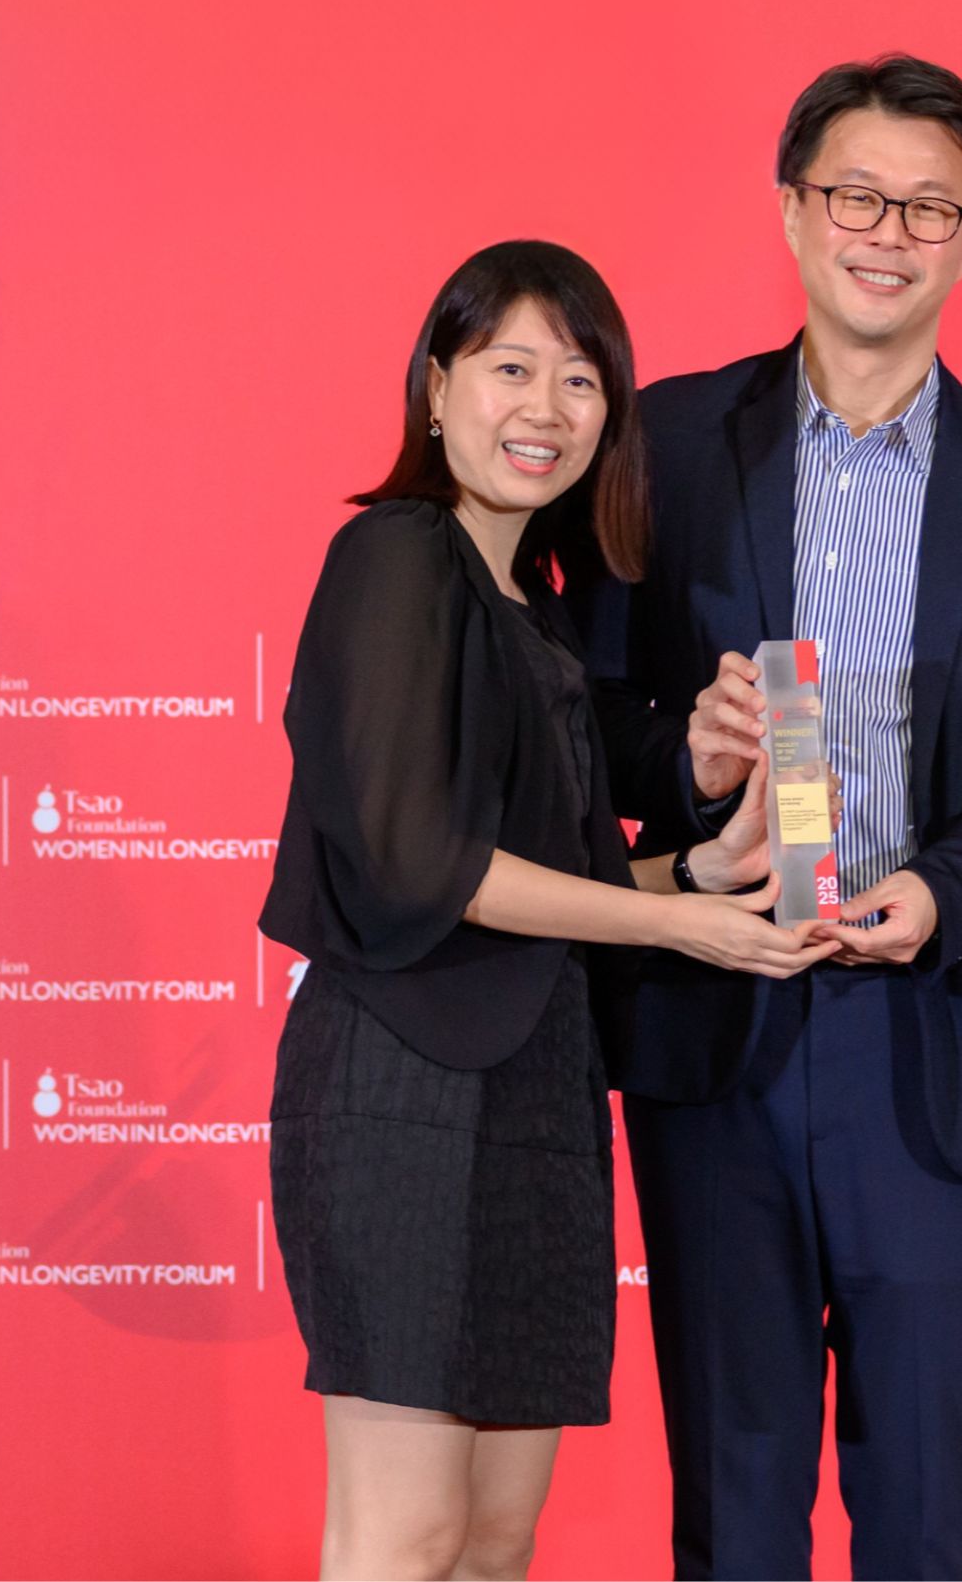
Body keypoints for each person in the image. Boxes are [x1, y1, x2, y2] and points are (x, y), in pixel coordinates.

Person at [574, 55, 962, 1579]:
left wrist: (945, 891)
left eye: (929, 207)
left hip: (933, 1032)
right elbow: (587, 719)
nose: (890, 234)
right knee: (735, 1504)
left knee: (928, 1510)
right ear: (792, 210)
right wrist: (690, 764)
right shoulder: (665, 445)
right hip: (719, 1015)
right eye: (857, 196)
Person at [259, 240, 836, 1582]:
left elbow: (560, 883)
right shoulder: (396, 557)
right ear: (436, 385)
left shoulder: (541, 609)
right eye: (511, 368)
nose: (548, 408)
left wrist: (705, 873)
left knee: (494, 1542)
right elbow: (422, 863)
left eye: (582, 381)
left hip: (540, 1093)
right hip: (402, 1087)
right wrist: (681, 926)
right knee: (404, 1537)